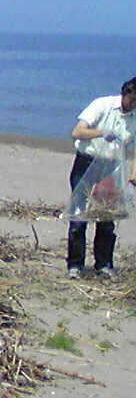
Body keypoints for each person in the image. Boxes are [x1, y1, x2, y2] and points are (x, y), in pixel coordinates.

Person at [66, 77, 136, 278]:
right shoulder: (102, 105)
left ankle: (103, 264)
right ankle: (75, 265)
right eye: (132, 99)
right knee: (79, 215)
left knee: (107, 217)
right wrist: (101, 132)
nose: (133, 104)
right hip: (86, 164)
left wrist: (133, 175)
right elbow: (77, 132)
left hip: (111, 167)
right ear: (125, 94)